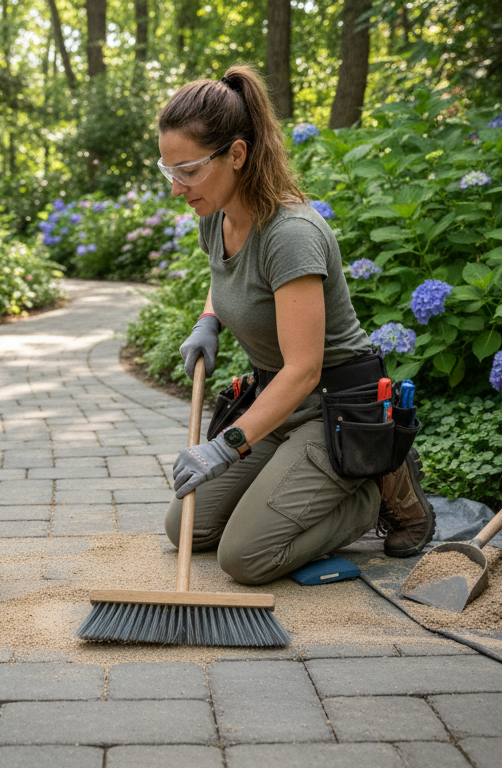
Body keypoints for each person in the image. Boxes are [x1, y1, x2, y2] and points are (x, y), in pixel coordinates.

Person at [159, 64, 433, 586]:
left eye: (189, 170)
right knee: (186, 530)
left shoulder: (291, 234)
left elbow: (305, 370)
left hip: (334, 408)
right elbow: (228, 279)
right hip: (276, 402)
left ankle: (377, 482)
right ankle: (303, 476)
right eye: (169, 170)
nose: (177, 188)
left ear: (236, 154)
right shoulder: (214, 216)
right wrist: (207, 321)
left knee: (244, 558)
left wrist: (225, 446)